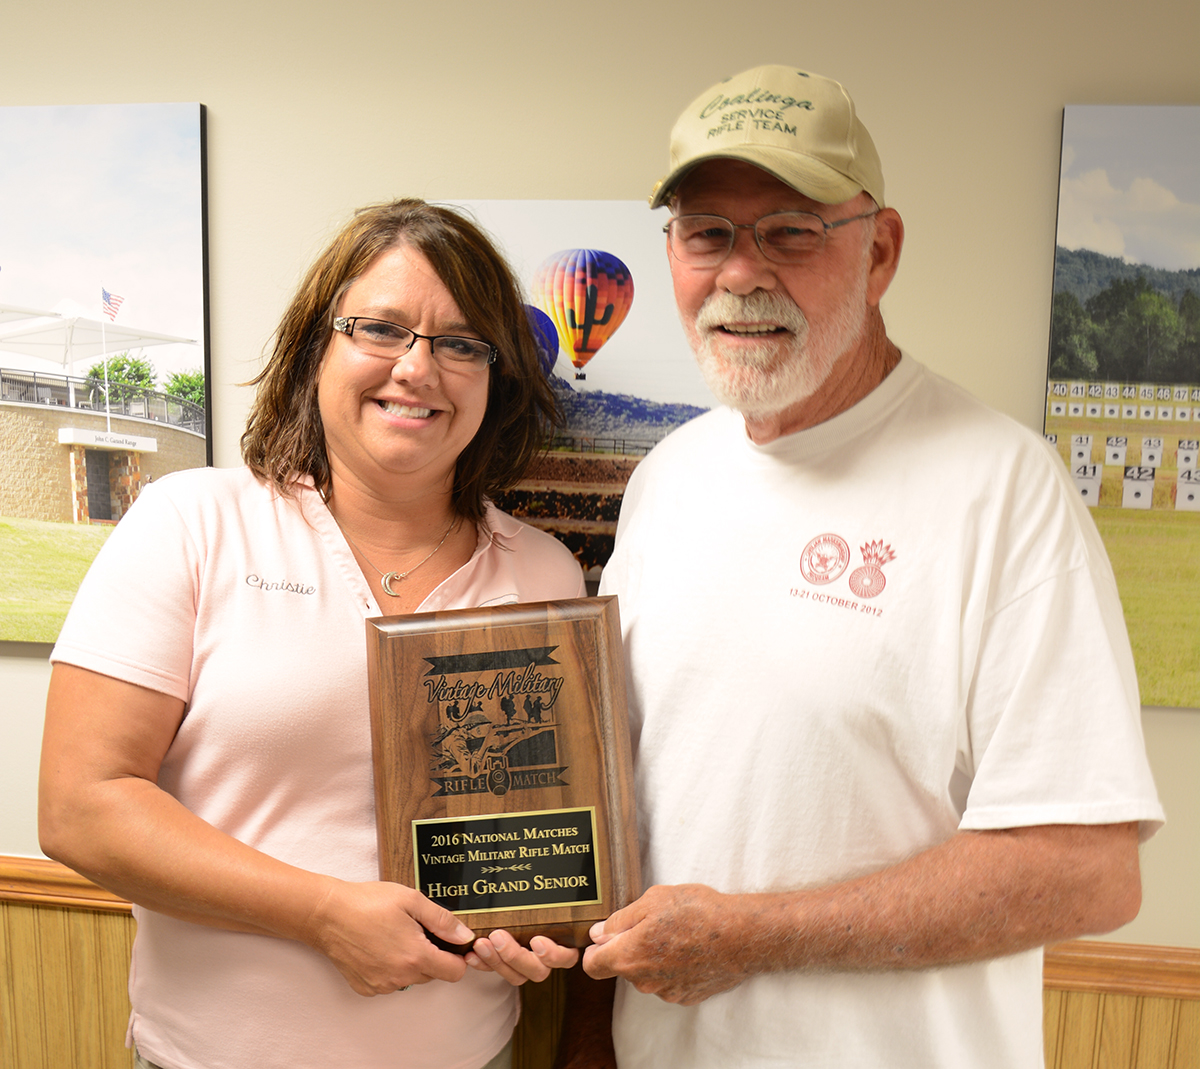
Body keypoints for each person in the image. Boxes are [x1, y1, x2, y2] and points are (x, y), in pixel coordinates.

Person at [561, 66, 1165, 1069]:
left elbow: (1088, 870)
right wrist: (587, 1041)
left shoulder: (1001, 487)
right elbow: (632, 808)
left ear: (879, 250)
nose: (741, 274)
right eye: (707, 232)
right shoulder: (666, 479)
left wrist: (749, 936)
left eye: (791, 232)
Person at [39, 199, 585, 1069]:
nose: (419, 368)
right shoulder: (193, 523)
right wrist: (325, 913)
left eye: (461, 343)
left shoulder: (545, 574)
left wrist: (537, 926)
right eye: (382, 328)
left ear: (496, 375)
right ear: (315, 348)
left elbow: (528, 834)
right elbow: (80, 807)